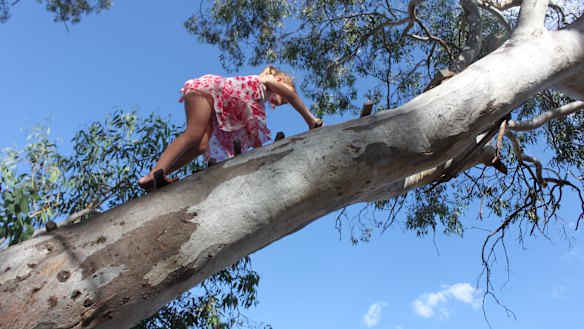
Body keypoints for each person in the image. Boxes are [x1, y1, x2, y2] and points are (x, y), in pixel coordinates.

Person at [138, 65, 323, 191]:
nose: (280, 102)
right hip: (207, 91)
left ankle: (161, 176)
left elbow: (249, 131)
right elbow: (292, 97)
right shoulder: (266, 80)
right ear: (280, 80)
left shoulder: (256, 100)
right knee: (193, 134)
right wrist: (310, 119)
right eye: (281, 100)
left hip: (210, 100)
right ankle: (152, 174)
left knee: (201, 146)